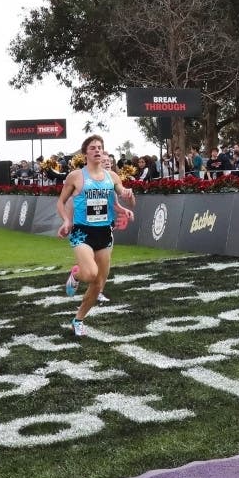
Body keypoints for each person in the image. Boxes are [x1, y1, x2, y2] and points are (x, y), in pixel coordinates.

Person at [56, 135, 134, 337]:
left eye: (100, 147)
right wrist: (66, 220)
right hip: (82, 232)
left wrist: (127, 201)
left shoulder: (112, 177)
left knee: (98, 283)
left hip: (104, 233)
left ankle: (78, 319)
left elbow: (122, 194)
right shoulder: (76, 176)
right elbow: (61, 202)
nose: (97, 150)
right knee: (89, 274)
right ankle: (76, 274)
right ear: (86, 153)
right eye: (93, 148)